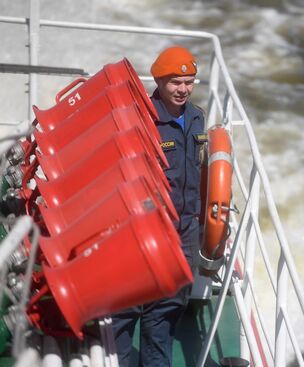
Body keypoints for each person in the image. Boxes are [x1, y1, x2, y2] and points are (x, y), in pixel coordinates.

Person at [111, 46, 206, 367]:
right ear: (159, 81)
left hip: (184, 233)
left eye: (189, 82)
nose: (183, 89)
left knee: (164, 315)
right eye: (175, 82)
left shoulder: (197, 117)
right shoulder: (142, 119)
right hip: (144, 232)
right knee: (125, 313)